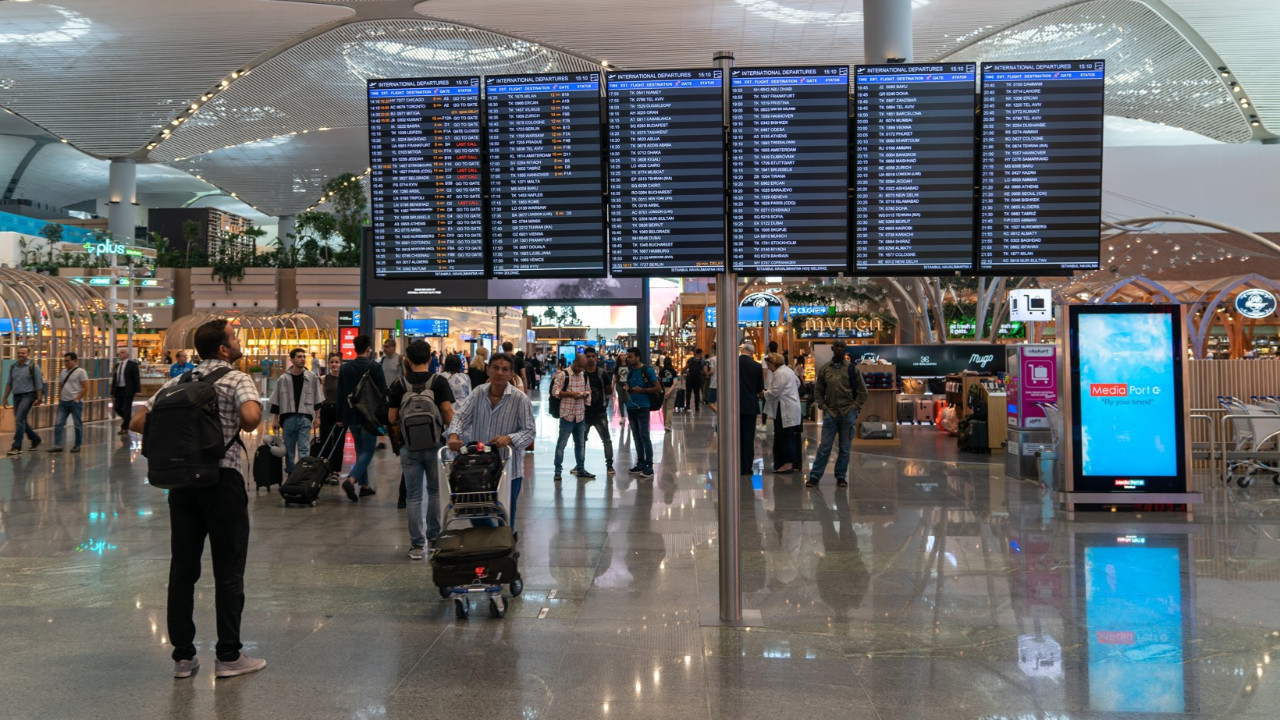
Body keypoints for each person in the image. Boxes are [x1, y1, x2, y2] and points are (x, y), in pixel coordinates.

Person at [129, 318, 265, 679]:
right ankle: (229, 656)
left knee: (183, 570)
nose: (238, 343)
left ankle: (183, 658)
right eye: (234, 338)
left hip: (183, 486)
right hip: (222, 482)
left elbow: (137, 422)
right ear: (223, 349)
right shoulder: (236, 378)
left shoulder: (178, 381)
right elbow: (251, 417)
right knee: (229, 571)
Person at [445, 353, 535, 529]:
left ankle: (503, 547)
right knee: (474, 509)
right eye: (495, 368)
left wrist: (509, 438)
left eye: (505, 369)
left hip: (509, 468)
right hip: (478, 466)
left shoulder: (519, 399)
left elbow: (530, 431)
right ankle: (495, 543)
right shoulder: (478, 393)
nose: (499, 373)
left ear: (511, 374)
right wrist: (454, 436)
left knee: (505, 514)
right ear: (488, 370)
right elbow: (461, 417)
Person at [387, 340, 455, 560]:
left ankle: (417, 546)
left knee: (414, 496)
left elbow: (391, 417)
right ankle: (434, 540)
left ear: (408, 360)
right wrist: (454, 433)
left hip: (409, 447)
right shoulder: (439, 381)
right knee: (435, 492)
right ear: (430, 359)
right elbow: (447, 411)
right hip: (435, 445)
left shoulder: (399, 383)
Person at [806, 341, 868, 489]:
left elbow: (863, 392)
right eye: (837, 347)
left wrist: (854, 408)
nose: (839, 350)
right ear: (832, 349)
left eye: (842, 347)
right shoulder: (825, 370)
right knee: (824, 447)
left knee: (845, 448)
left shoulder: (853, 369)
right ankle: (815, 477)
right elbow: (818, 391)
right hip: (831, 414)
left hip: (848, 414)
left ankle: (841, 477)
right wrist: (824, 407)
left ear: (845, 350)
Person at [336, 335, 387, 502]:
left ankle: (365, 486)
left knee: (360, 451)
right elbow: (382, 392)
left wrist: (340, 416)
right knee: (367, 451)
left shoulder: (345, 369)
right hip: (369, 416)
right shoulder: (374, 367)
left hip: (351, 416)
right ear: (368, 349)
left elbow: (341, 394)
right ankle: (351, 480)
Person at [267, 347, 324, 475]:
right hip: (288, 419)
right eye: (299, 357)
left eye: (304, 356)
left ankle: (302, 474)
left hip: (305, 417)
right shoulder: (283, 379)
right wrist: (275, 420)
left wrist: (318, 417)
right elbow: (277, 400)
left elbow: (317, 399)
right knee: (289, 450)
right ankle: (291, 474)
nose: (302, 359)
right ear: (292, 359)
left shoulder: (312, 378)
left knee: (304, 448)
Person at [551, 354, 593, 482]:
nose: (581, 369)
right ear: (574, 362)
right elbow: (555, 392)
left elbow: (588, 390)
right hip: (567, 415)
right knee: (561, 444)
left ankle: (581, 469)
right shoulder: (564, 374)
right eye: (579, 365)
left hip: (580, 415)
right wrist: (571, 394)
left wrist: (584, 395)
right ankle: (558, 471)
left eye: (583, 366)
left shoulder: (584, 375)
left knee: (580, 444)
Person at [623, 347, 661, 478]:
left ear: (638, 357)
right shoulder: (630, 372)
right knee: (636, 436)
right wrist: (628, 389)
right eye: (628, 357)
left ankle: (649, 466)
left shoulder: (647, 370)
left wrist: (642, 390)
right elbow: (628, 387)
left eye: (631, 356)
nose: (628, 359)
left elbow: (658, 388)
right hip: (631, 406)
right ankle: (640, 462)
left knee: (644, 435)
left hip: (643, 406)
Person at [762, 353, 802, 473]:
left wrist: (763, 393)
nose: (768, 368)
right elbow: (798, 383)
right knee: (789, 436)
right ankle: (792, 463)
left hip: (785, 407)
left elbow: (774, 391)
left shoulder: (779, 373)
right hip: (792, 405)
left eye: (769, 365)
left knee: (784, 436)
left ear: (774, 363)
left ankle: (787, 464)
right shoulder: (788, 370)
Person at [579, 347, 616, 476]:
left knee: (606, 439)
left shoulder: (601, 373)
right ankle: (580, 465)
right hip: (585, 412)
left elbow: (609, 390)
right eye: (587, 356)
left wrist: (602, 400)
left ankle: (610, 465)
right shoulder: (581, 374)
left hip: (600, 412)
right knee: (581, 440)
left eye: (592, 356)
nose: (590, 359)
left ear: (596, 357)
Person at [3, 345, 44, 454]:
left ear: (28, 354)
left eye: (23, 353)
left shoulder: (33, 367)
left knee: (19, 420)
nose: (20, 355)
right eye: (19, 353)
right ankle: (35, 439)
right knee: (21, 420)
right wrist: (5, 397)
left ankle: (16, 446)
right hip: (16, 396)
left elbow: (39, 384)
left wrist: (39, 398)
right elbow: (9, 383)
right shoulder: (13, 367)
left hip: (28, 395)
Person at [50, 351, 89, 453]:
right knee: (58, 423)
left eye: (67, 361)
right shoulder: (63, 372)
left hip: (75, 402)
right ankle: (58, 445)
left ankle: (77, 445)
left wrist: (77, 398)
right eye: (64, 361)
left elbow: (85, 387)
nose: (65, 363)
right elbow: (61, 385)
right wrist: (60, 396)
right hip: (63, 402)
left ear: (74, 361)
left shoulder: (81, 372)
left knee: (77, 424)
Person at [738, 342, 765, 476]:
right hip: (750, 406)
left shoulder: (732, 363)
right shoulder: (757, 366)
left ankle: (735, 465)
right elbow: (759, 388)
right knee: (748, 438)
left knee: (735, 437)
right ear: (752, 353)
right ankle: (746, 467)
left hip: (734, 407)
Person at [317, 352, 344, 478]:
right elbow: (322, 398)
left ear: (340, 363)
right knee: (325, 440)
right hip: (327, 410)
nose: (334, 364)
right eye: (332, 362)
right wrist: (318, 415)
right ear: (328, 364)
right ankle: (326, 469)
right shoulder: (324, 379)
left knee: (338, 442)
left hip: (339, 411)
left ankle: (336, 470)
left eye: (336, 362)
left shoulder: (345, 379)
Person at [111, 347, 141, 436]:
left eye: (122, 352)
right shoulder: (117, 366)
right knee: (117, 407)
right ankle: (128, 420)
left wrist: (137, 389)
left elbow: (136, 377)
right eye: (119, 353)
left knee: (127, 408)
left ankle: (124, 427)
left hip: (128, 389)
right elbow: (115, 379)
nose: (120, 354)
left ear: (127, 354)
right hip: (118, 389)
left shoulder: (132, 364)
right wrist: (112, 392)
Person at [659, 357, 678, 431]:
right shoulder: (674, 371)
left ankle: (665, 424)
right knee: (670, 408)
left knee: (664, 408)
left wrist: (662, 391)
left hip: (663, 390)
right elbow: (674, 383)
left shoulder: (661, 371)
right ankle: (668, 425)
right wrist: (669, 391)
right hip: (671, 390)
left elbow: (659, 381)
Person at [705, 342, 719, 413]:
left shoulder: (713, 359)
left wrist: (707, 374)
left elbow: (712, 371)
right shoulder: (727, 359)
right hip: (726, 386)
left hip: (714, 384)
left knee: (711, 403)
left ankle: (720, 415)